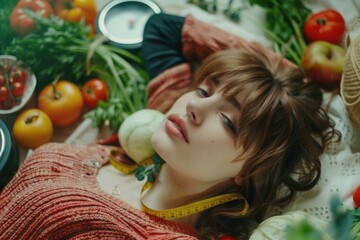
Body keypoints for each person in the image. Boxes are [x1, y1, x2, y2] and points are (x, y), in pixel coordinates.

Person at [0, 13, 339, 240]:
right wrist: (295, 81)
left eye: (227, 121)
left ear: (249, 170)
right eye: (204, 90)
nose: (194, 105)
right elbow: (163, 27)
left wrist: (297, 97)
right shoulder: (159, 121)